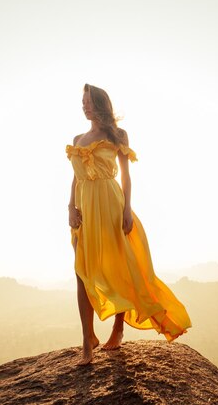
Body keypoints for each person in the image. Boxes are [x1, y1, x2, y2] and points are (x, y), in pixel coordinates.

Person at [66, 83, 192, 365]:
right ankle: (87, 340)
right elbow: (75, 178)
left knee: (119, 268)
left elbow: (126, 177)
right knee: (82, 273)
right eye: (81, 101)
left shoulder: (117, 135)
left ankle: (117, 330)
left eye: (87, 101)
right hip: (84, 211)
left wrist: (127, 208)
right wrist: (69, 207)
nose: (83, 105)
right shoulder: (77, 138)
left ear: (99, 103)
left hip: (110, 206)